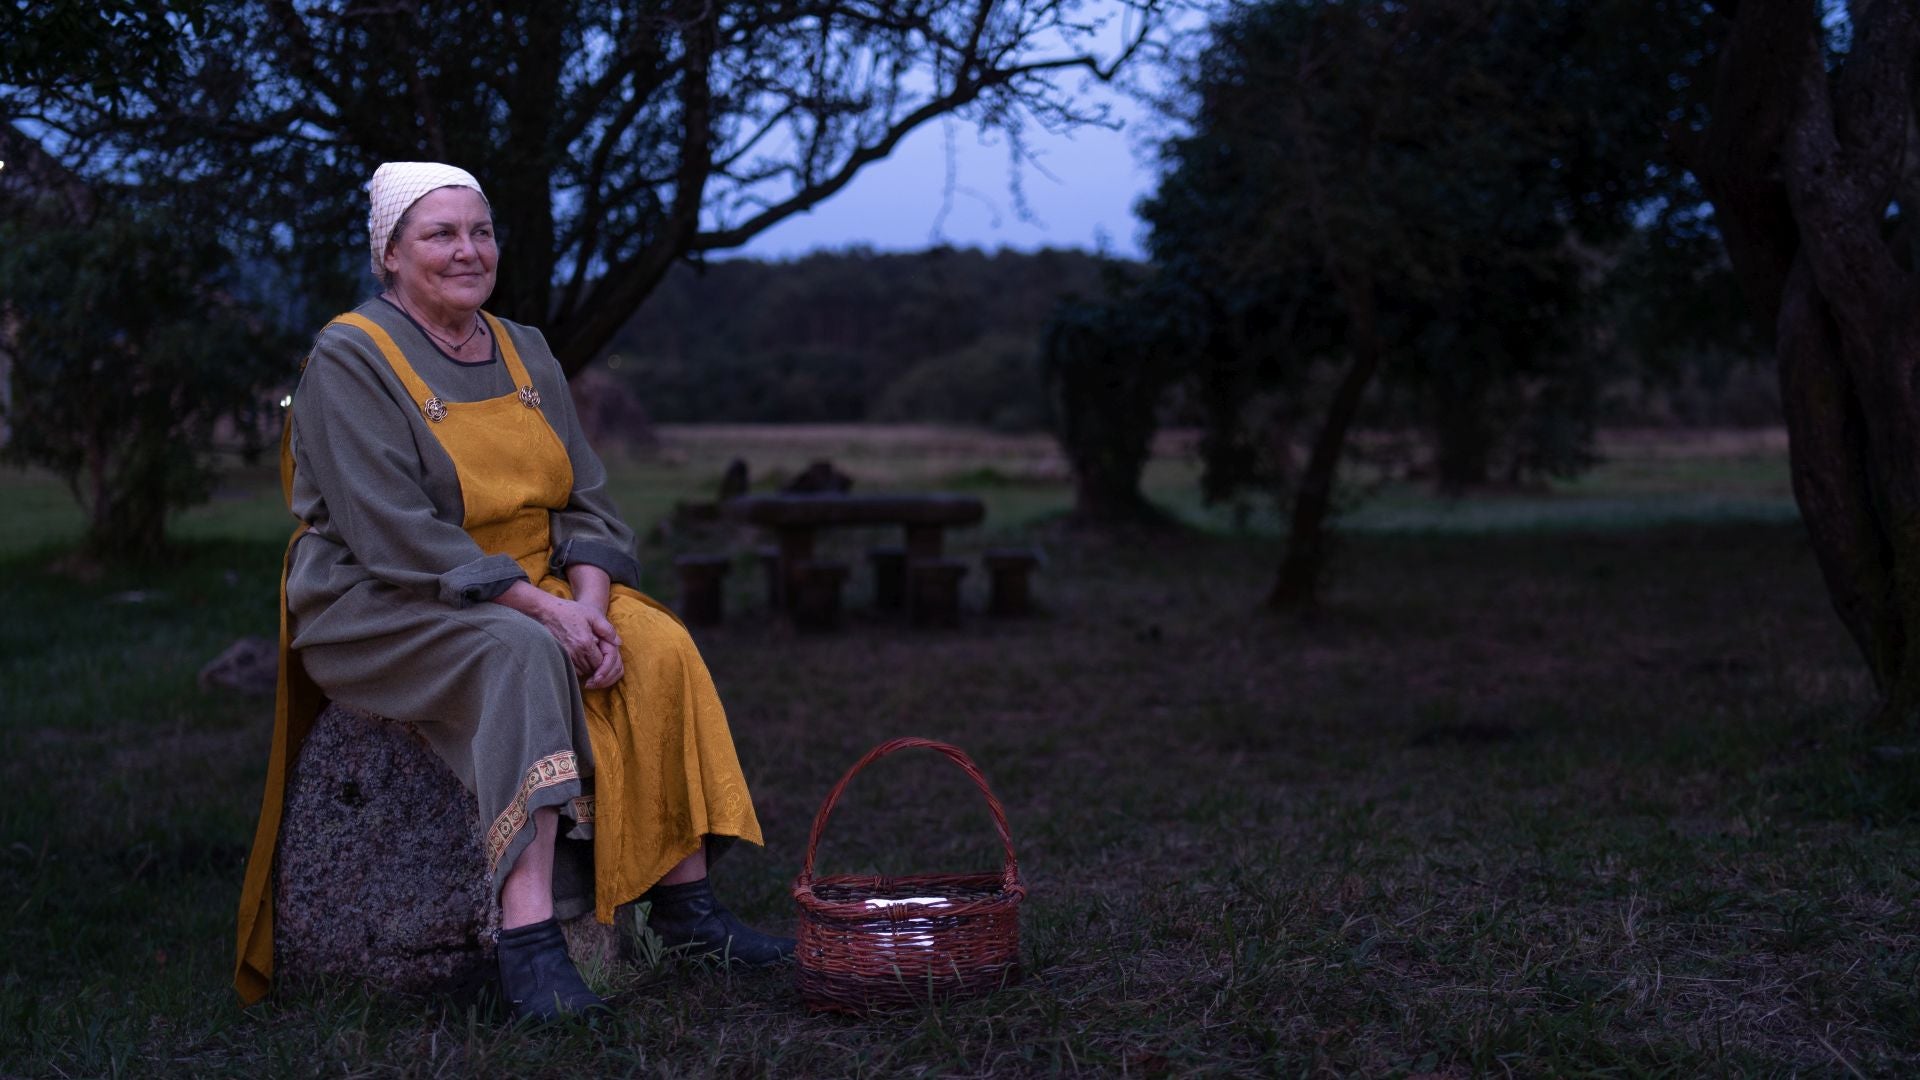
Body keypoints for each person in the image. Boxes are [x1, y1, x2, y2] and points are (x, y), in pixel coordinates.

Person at [234, 162, 791, 1023]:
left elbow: (589, 504)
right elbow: (395, 532)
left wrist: (594, 612)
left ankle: (686, 908)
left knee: (661, 644)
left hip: (538, 581)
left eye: (481, 231)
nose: (468, 251)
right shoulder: (351, 355)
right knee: (523, 652)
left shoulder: (526, 347)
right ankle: (530, 942)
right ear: (389, 254)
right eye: (440, 234)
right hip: (383, 598)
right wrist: (546, 612)